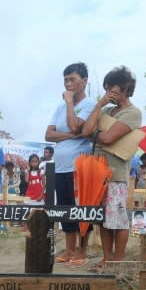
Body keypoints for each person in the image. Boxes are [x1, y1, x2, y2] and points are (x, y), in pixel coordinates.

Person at [81, 65, 142, 268]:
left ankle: (118, 260)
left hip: (116, 174)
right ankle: (107, 259)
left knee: (118, 219)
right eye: (107, 88)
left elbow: (107, 138)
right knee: (103, 220)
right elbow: (85, 130)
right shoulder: (106, 110)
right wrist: (99, 105)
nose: (109, 92)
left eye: (113, 88)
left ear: (125, 88)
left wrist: (95, 134)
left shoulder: (133, 113)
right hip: (97, 172)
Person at [45, 62, 95, 265]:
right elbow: (48, 134)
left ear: (84, 81)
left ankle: (82, 252)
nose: (68, 84)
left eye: (72, 79)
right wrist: (69, 136)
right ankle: (69, 250)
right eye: (65, 80)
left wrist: (69, 104)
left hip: (79, 165)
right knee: (65, 209)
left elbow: (78, 126)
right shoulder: (59, 107)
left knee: (80, 210)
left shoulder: (90, 104)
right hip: (60, 166)